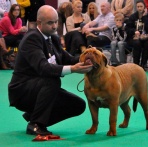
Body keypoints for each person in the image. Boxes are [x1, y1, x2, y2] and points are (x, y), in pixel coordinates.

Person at [8, 5, 93, 136]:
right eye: (50, 23)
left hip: (39, 88)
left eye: (56, 22)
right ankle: (36, 124)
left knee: (78, 105)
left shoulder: (52, 37)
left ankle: (33, 115)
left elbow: (68, 58)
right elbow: (44, 68)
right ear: (39, 23)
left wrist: (86, 58)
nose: (54, 26)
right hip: (22, 91)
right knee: (52, 80)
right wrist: (73, 69)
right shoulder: (32, 38)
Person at [125, 0, 148, 70]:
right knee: (137, 43)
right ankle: (136, 64)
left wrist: (144, 17)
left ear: (144, 7)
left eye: (141, 6)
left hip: (145, 37)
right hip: (134, 38)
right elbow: (127, 28)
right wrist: (134, 31)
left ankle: (143, 64)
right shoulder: (133, 16)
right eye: (138, 7)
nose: (139, 8)